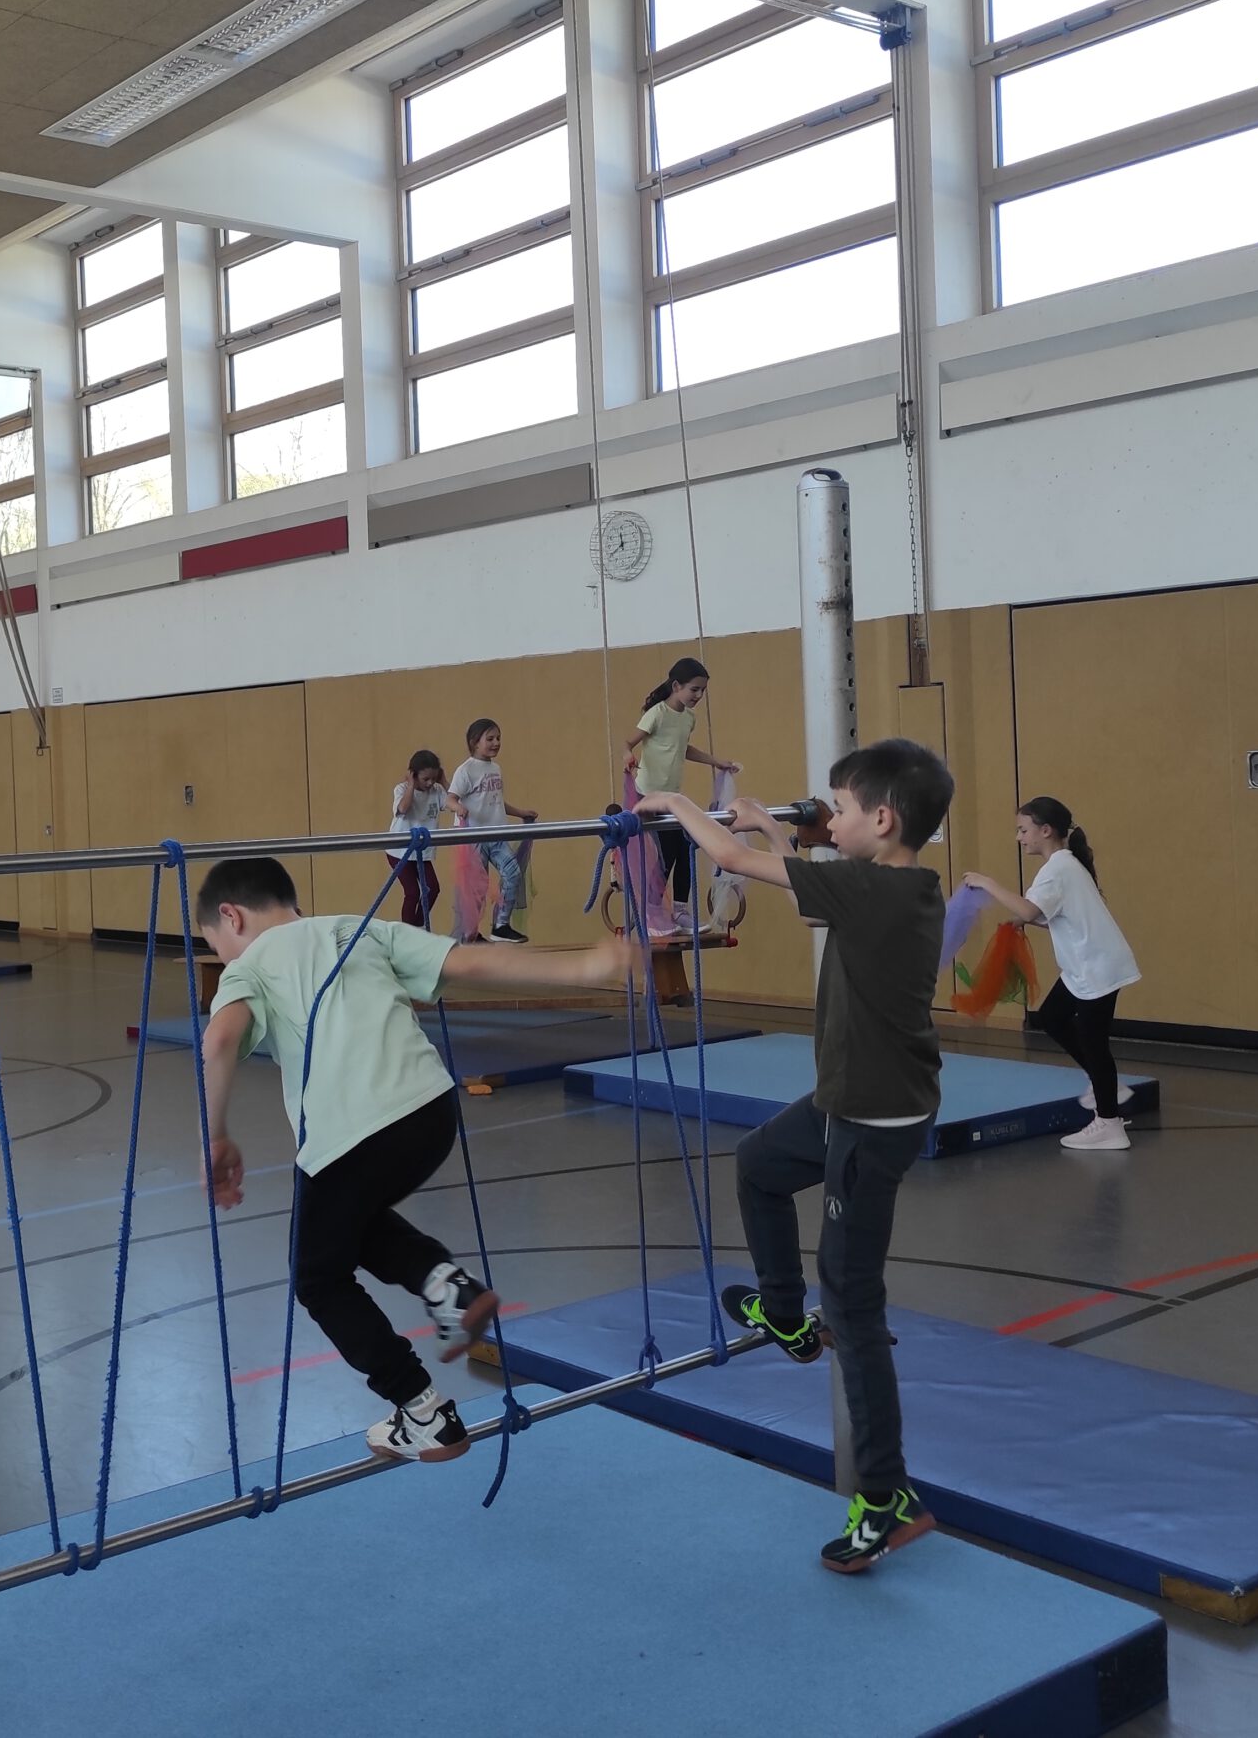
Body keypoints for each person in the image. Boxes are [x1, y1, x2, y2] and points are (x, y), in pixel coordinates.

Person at [197, 854, 638, 1461]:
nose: (223, 956)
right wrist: (584, 968)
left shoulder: (253, 963)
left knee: (319, 1279)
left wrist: (216, 1136)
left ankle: (421, 1409)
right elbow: (468, 959)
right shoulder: (361, 928)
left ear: (231, 917)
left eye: (214, 944)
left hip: (350, 1132)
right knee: (351, 1220)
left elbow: (219, 1038)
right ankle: (446, 1285)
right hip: (430, 1113)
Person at [644, 737, 954, 1574]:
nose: (833, 822)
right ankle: (783, 1314)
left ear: (881, 820)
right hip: (850, 1098)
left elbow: (734, 861)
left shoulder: (870, 887)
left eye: (843, 810)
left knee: (853, 1305)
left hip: (872, 1119)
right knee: (759, 1165)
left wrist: (678, 809)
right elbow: (815, 906)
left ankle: (886, 1497)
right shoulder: (899, 887)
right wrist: (786, 840)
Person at [960, 796, 1142, 1152]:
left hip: (1096, 968)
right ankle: (1105, 1085)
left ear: (1046, 831)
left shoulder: (1057, 869)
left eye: (1023, 830)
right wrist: (1029, 920)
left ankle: (1108, 1123)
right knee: (1053, 1017)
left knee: (1094, 1042)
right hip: (1088, 965)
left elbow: (1029, 909)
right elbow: (1053, 915)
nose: (1019, 837)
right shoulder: (1065, 866)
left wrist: (987, 883)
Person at [623, 658, 740, 925]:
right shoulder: (657, 714)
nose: (698, 696)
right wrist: (627, 756)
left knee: (686, 845)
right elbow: (628, 742)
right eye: (694, 689)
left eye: (702, 691)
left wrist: (715, 761)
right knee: (668, 851)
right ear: (676, 686)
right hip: (649, 795)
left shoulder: (688, 718)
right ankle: (650, 906)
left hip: (671, 796)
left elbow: (682, 748)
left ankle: (677, 908)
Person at [448, 718, 538, 944]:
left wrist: (521, 812)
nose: (496, 743)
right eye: (490, 739)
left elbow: (496, 801)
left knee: (513, 873)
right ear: (474, 742)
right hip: (474, 838)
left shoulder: (495, 768)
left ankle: (501, 925)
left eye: (498, 738)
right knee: (477, 888)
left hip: (497, 836)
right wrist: (458, 808)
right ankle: (470, 932)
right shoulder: (466, 770)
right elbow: (450, 798)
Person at [386, 751, 449, 928]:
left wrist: (444, 782)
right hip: (399, 852)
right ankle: (407, 932)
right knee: (412, 892)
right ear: (413, 775)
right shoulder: (401, 789)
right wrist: (411, 785)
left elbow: (453, 803)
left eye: (433, 778)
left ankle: (418, 927)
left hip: (421, 852)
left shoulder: (437, 791)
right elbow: (403, 809)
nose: (430, 783)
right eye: (425, 779)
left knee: (432, 889)